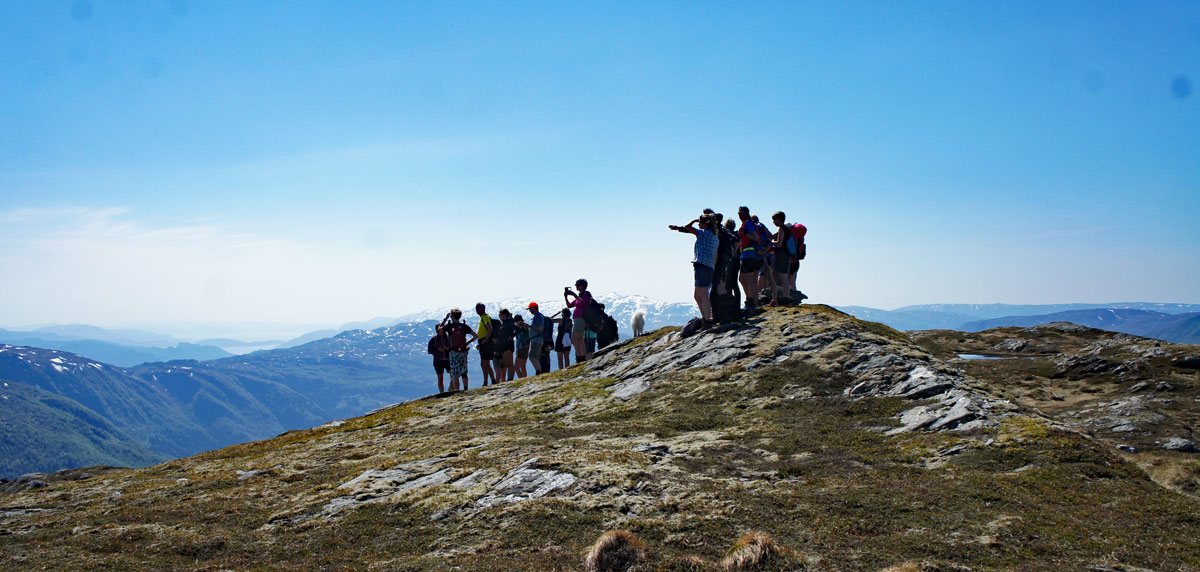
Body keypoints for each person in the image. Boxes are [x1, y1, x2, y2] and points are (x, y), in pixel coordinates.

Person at [669, 213, 718, 324]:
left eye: (701, 222)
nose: (699, 224)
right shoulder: (715, 236)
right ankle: (707, 316)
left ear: (705, 223)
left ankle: (707, 320)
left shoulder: (703, 234)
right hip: (709, 267)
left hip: (701, 266)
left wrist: (694, 220)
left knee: (703, 295)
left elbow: (687, 226)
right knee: (698, 295)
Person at [441, 309, 477, 392]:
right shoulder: (464, 326)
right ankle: (466, 389)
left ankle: (457, 391)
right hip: (463, 351)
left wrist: (446, 319)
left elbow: (439, 330)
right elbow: (476, 336)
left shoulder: (450, 326)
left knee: (455, 374)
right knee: (464, 372)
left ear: (452, 316)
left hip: (453, 352)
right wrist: (467, 343)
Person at [736, 206, 762, 311]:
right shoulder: (748, 223)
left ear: (747, 213)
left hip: (749, 254)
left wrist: (744, 233)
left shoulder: (748, 224)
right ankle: (752, 300)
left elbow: (756, 237)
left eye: (742, 213)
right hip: (748, 254)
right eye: (738, 213)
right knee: (743, 279)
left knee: (749, 279)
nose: (740, 215)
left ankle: (752, 301)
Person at [565, 278, 594, 362]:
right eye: (576, 285)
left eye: (578, 285)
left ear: (583, 286)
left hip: (580, 318)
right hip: (578, 319)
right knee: (580, 339)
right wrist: (566, 297)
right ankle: (582, 357)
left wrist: (574, 295)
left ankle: (580, 357)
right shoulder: (580, 295)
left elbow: (584, 303)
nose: (576, 286)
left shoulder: (586, 294)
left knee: (574, 339)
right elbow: (569, 305)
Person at [475, 303, 497, 386]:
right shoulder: (483, 317)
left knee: (484, 363)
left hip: (486, 343)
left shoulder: (485, 317)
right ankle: (491, 380)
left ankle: (486, 381)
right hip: (483, 342)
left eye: (478, 308)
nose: (477, 310)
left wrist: (485, 339)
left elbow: (490, 328)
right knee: (485, 363)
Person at [427, 325, 452, 393]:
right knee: (440, 378)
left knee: (453, 376)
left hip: (448, 359)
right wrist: (438, 350)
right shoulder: (433, 339)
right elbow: (429, 351)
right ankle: (442, 393)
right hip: (438, 361)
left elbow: (452, 347)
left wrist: (448, 348)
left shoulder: (448, 338)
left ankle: (450, 389)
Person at [494, 309, 516, 382]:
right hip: (503, 345)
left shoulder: (510, 322)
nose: (499, 316)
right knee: (507, 363)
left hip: (508, 345)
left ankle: (510, 379)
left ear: (503, 315)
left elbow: (518, 329)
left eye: (500, 315)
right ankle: (509, 378)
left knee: (510, 363)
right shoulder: (505, 322)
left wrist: (512, 336)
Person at [526, 303, 548, 374]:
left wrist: (529, 326)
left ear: (534, 308)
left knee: (532, 356)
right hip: (537, 339)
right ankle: (539, 371)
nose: (530, 311)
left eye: (530, 309)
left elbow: (539, 328)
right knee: (535, 357)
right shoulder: (538, 316)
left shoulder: (538, 317)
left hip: (536, 340)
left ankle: (539, 371)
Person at [513, 314, 530, 379]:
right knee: (523, 366)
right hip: (527, 347)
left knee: (516, 367)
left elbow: (521, 336)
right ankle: (525, 379)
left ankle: (521, 379)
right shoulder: (525, 326)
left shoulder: (519, 327)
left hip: (521, 347)